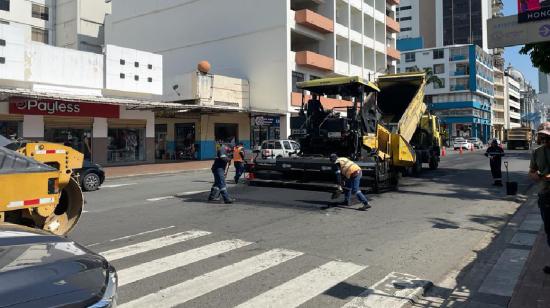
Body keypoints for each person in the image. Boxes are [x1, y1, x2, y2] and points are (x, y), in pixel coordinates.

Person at [528, 122, 550, 275]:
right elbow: (531, 172)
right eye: (542, 136)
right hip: (545, 195)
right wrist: (538, 176)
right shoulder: (537, 152)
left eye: (547, 136)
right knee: (549, 230)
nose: (544, 139)